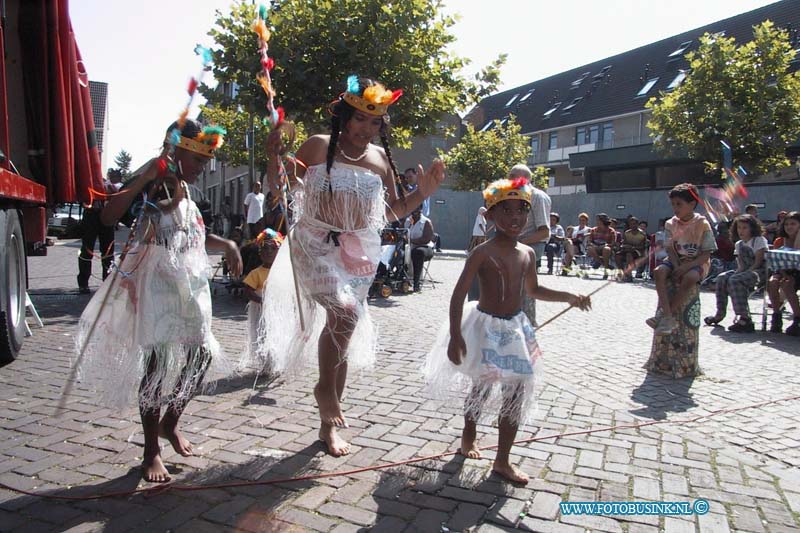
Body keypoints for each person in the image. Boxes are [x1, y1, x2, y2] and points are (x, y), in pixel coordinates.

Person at [259, 76, 445, 456]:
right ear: (344, 115)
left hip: (359, 251)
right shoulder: (317, 146)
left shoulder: (380, 161)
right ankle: (324, 390)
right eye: (360, 118)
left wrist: (421, 195)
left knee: (342, 331)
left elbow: (390, 213)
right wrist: (274, 154)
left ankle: (328, 427)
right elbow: (278, 186)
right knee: (343, 313)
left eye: (375, 122)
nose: (367, 128)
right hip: (314, 244)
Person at [74, 119, 243, 483]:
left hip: (188, 287)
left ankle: (171, 421)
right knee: (157, 364)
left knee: (201, 355)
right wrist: (146, 176)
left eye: (205, 161)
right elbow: (108, 216)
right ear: (177, 151)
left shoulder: (187, 192)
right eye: (198, 160)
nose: (202, 168)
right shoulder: (156, 185)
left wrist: (228, 245)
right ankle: (151, 450)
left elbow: (196, 237)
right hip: (155, 285)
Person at [424, 177, 590, 484]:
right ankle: (468, 435)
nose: (515, 218)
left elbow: (534, 289)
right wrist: (456, 335)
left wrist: (570, 297)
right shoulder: (482, 252)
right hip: (484, 327)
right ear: (490, 215)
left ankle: (502, 459)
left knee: (516, 391)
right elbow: (459, 294)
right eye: (506, 211)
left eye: (521, 211)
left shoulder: (528, 253)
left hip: (514, 329)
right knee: (482, 388)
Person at [647, 183, 716, 335]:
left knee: (689, 278)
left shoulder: (702, 224)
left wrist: (687, 266)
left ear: (692, 204)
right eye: (673, 204)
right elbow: (670, 248)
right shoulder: (670, 224)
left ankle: (666, 315)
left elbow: (706, 253)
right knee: (659, 272)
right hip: (675, 259)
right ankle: (666, 313)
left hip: (696, 262)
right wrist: (676, 263)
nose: (675, 208)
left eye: (679, 204)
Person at [703, 215, 767, 332]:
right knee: (722, 278)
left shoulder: (759, 240)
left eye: (744, 228)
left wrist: (738, 276)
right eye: (739, 228)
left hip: (759, 272)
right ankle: (719, 314)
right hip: (745, 270)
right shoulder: (739, 244)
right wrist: (736, 274)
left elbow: (758, 262)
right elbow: (741, 265)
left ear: (752, 228)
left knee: (735, 280)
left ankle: (744, 318)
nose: (741, 231)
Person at [243, 229, 283, 372]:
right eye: (265, 248)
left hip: (278, 310)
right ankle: (267, 363)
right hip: (261, 311)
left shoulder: (282, 272)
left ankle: (279, 360)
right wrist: (261, 300)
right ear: (259, 252)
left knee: (279, 333)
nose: (269, 252)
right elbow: (248, 290)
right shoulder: (257, 273)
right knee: (264, 334)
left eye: (273, 248)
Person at [77, 169, 122, 293]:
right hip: (91, 215)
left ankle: (107, 282)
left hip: (106, 216)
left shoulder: (114, 186)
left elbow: (118, 196)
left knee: (108, 251)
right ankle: (83, 283)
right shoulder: (91, 184)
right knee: (87, 250)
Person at [767, 211, 800, 335]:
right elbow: (778, 260)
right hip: (784, 270)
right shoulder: (781, 240)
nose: (789, 227)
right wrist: (784, 274)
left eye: (793, 224)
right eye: (786, 224)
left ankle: (797, 318)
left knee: (787, 285)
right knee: (773, 282)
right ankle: (776, 316)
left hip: (797, 271)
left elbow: (797, 254)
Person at [405, 207, 435, 291]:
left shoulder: (426, 222)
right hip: (409, 246)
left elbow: (426, 239)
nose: (414, 213)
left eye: (416, 211)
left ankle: (416, 283)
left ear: (420, 211)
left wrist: (412, 241)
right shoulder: (408, 221)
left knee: (418, 252)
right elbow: (403, 232)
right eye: (412, 211)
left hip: (425, 247)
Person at [616, 216, 647, 281]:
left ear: (637, 224)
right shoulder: (627, 233)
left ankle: (629, 275)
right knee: (617, 255)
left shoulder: (642, 234)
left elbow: (643, 246)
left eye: (634, 224)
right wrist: (624, 246)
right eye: (631, 224)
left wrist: (633, 247)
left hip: (638, 252)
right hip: (627, 250)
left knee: (629, 255)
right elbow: (624, 243)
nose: (632, 225)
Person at [586, 213, 616, 279]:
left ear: (603, 221)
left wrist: (606, 245)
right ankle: (606, 266)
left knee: (606, 249)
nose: (597, 222)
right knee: (590, 248)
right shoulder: (593, 230)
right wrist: (592, 244)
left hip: (606, 247)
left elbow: (613, 243)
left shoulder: (611, 231)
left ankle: (605, 271)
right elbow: (589, 241)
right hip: (595, 247)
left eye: (598, 220)